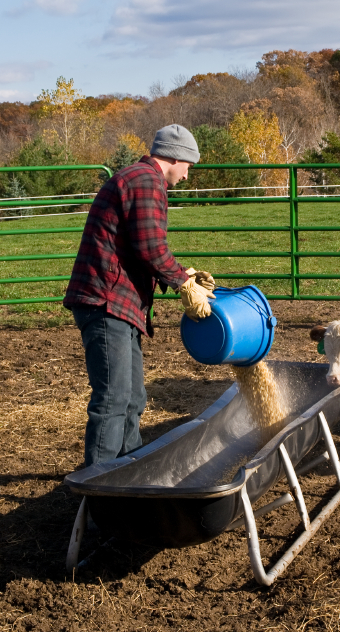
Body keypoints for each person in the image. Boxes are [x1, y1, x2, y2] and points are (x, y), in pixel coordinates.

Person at [64, 124, 215, 467]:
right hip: (106, 302)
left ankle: (128, 476)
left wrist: (182, 274)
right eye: (189, 165)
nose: (188, 175)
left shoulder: (139, 179)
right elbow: (151, 246)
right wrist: (182, 283)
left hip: (117, 302)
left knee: (132, 399)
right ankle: (98, 493)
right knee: (114, 399)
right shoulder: (146, 181)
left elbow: (138, 246)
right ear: (175, 156)